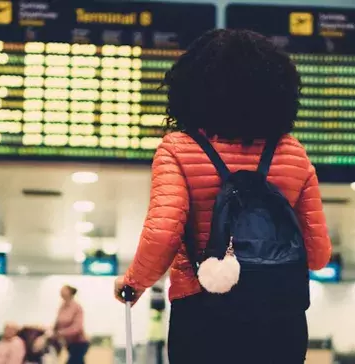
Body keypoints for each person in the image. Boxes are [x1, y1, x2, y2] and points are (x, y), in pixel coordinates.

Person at [114, 29, 332, 364]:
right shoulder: (293, 153)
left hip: (204, 312)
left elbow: (162, 233)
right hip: (280, 318)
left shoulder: (177, 148)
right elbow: (317, 255)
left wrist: (134, 284)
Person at [54, 285, 89, 364]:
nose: (61, 291)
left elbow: (77, 327)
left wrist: (61, 333)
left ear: (70, 292)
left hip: (79, 343)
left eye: (64, 290)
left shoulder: (77, 307)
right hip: (69, 343)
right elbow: (57, 323)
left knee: (73, 361)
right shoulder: (62, 307)